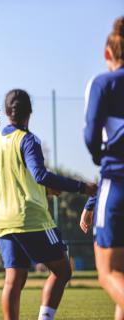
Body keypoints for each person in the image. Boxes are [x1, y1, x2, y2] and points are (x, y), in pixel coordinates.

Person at [0, 89, 97, 320]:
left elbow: (6, 176)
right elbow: (39, 175)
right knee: (62, 271)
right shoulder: (28, 139)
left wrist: (45, 188)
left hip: (3, 219)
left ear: (7, 112)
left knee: (14, 279)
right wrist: (81, 187)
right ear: (30, 111)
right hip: (30, 217)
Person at [80, 16, 124, 320]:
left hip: (118, 181)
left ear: (108, 54)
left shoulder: (104, 83)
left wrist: (100, 159)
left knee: (108, 273)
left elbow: (91, 136)